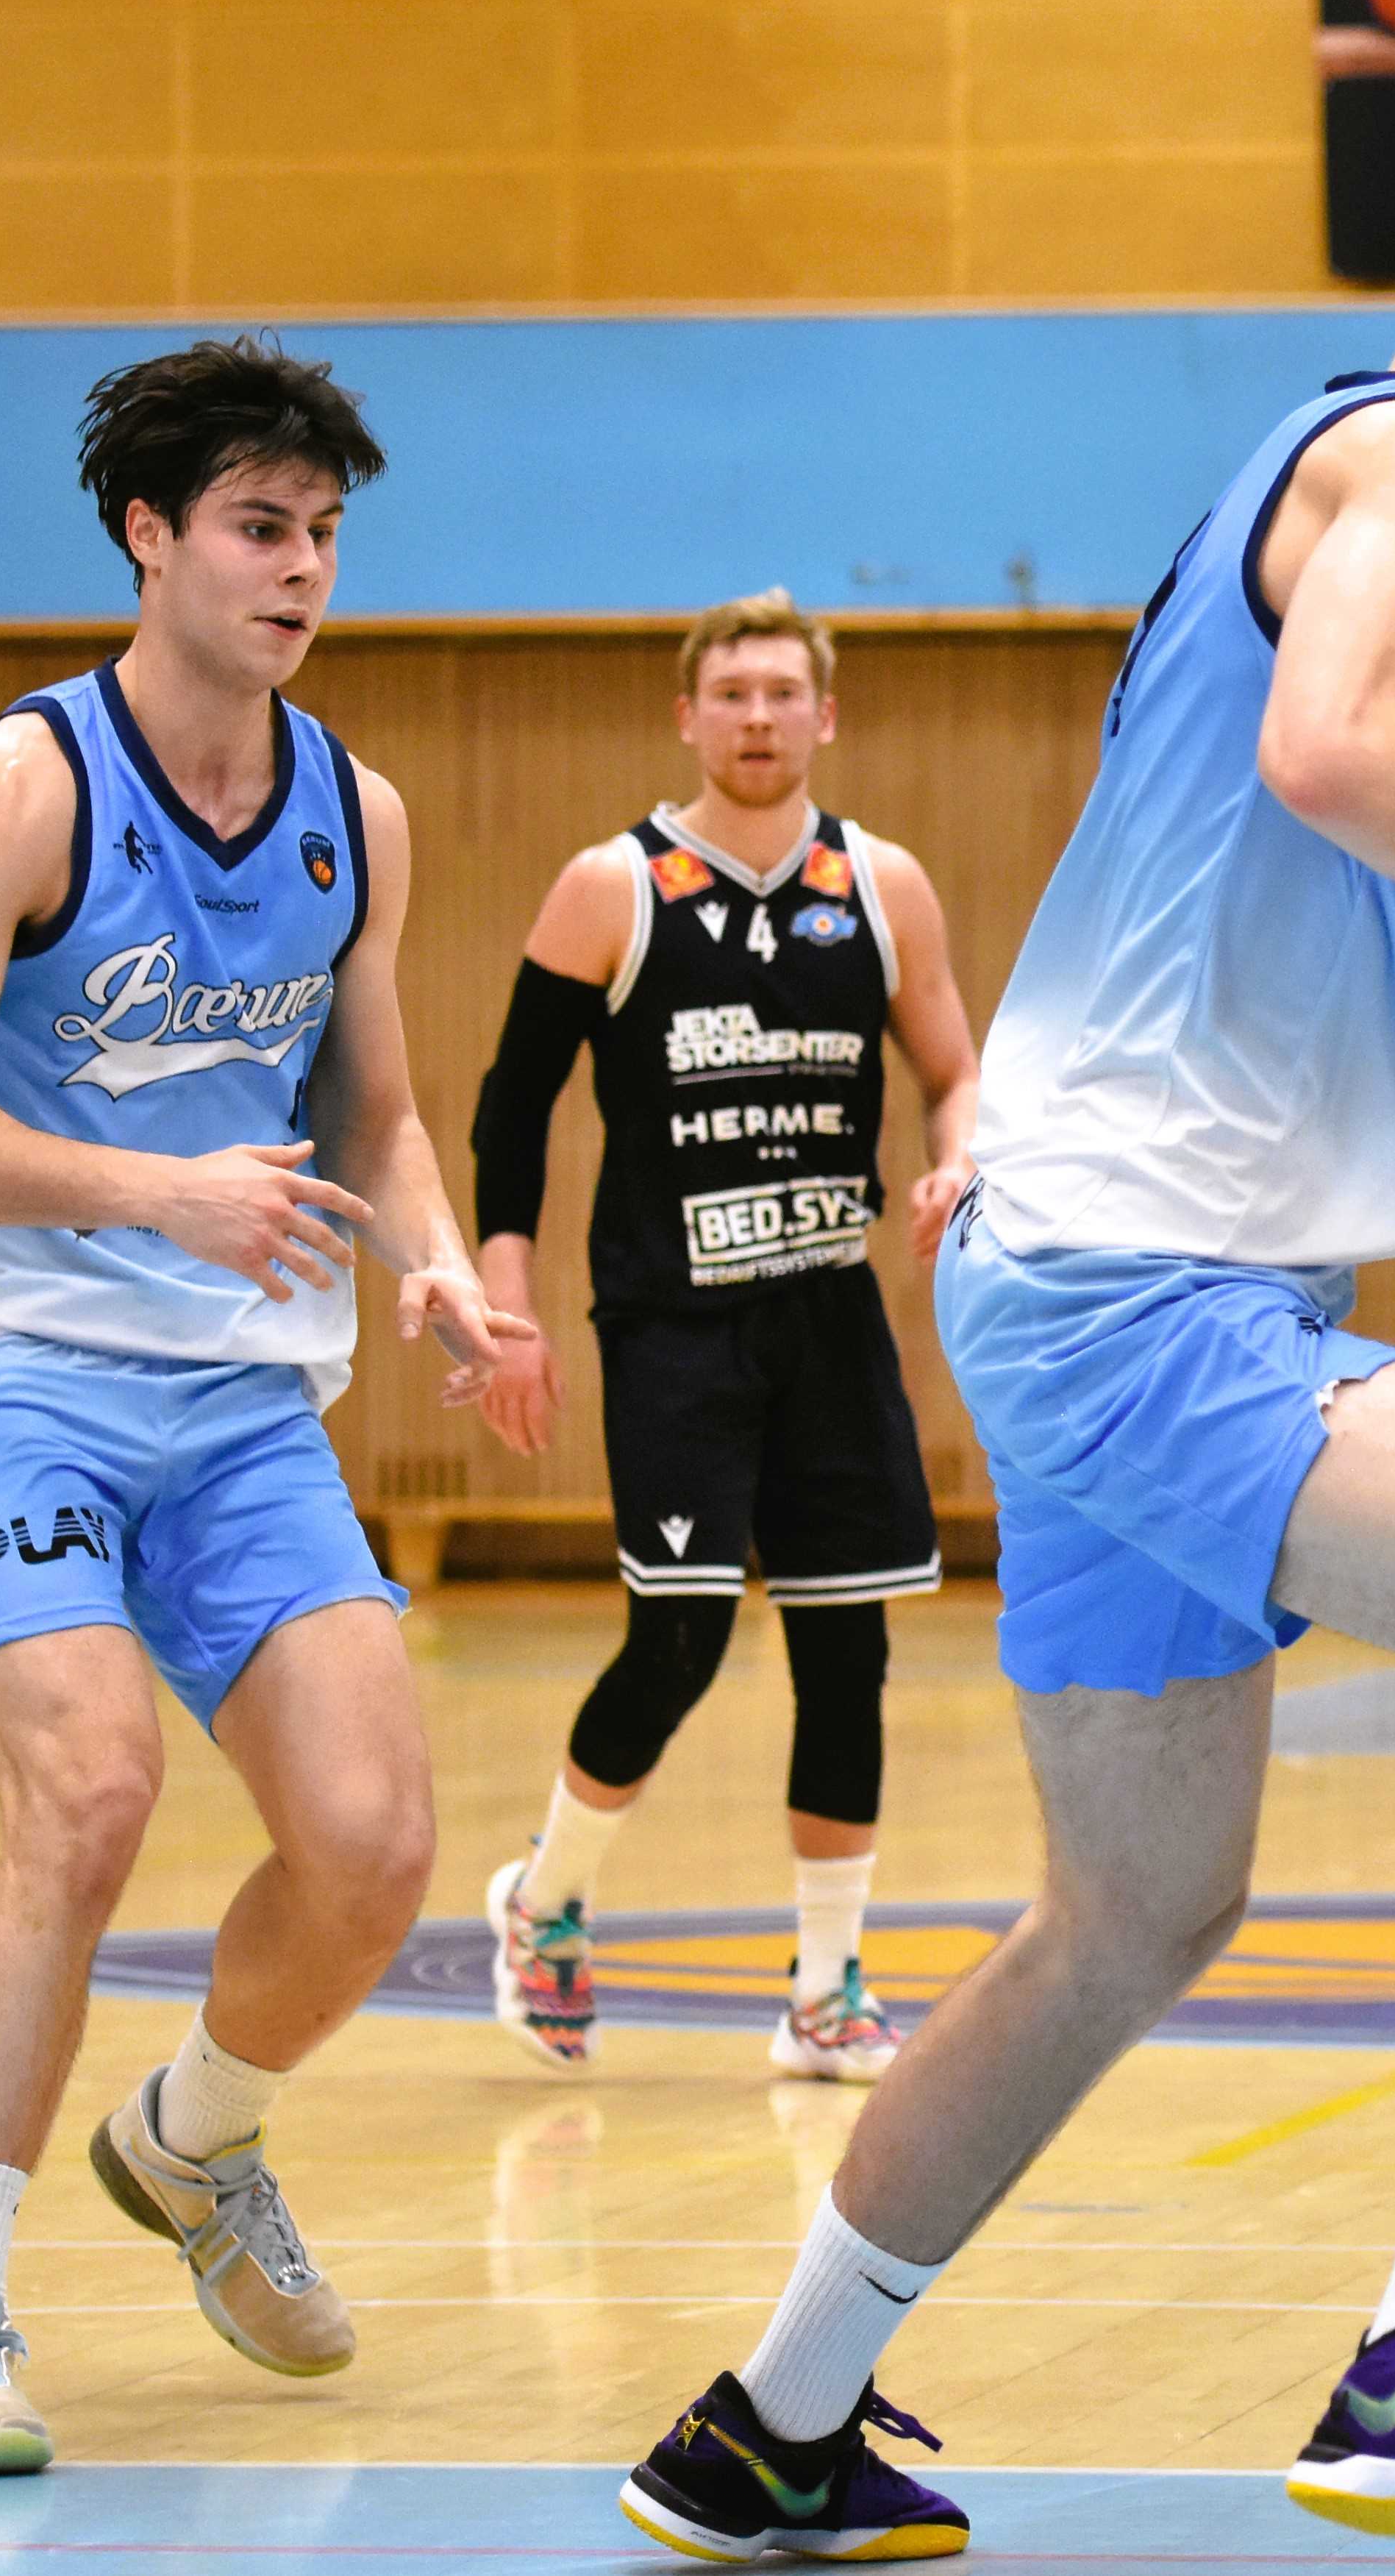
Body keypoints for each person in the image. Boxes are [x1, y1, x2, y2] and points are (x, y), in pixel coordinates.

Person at [612, 53, 1395, 2567]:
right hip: (1153, 1301)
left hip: (1102, 1268)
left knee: (1136, 1911)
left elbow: (1274, 903)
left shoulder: (1343, 471)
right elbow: (1333, 745)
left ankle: (770, 2426)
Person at [0, 338, 527, 2474]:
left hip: (240, 1400)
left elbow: (382, 1110)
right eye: (257, 525)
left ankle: (197, 2137)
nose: (301, 564)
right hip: (16, 1366)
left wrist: (435, 1258)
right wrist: (155, 1190)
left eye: (322, 530)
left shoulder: (354, 809)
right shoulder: (23, 784)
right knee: (91, 1794)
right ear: (150, 535)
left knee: (377, 1846)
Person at [465, 588, 982, 2086]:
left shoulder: (881, 885)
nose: (757, 716)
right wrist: (507, 1304)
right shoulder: (610, 885)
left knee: (850, 1650)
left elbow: (955, 1067)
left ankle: (827, 1991)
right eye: (731, 693)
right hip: (674, 1323)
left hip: (830, 1316)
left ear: (827, 716)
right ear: (688, 716)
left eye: (782, 692)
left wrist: (961, 1153)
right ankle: (548, 1901)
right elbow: (514, 1108)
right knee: (678, 1632)